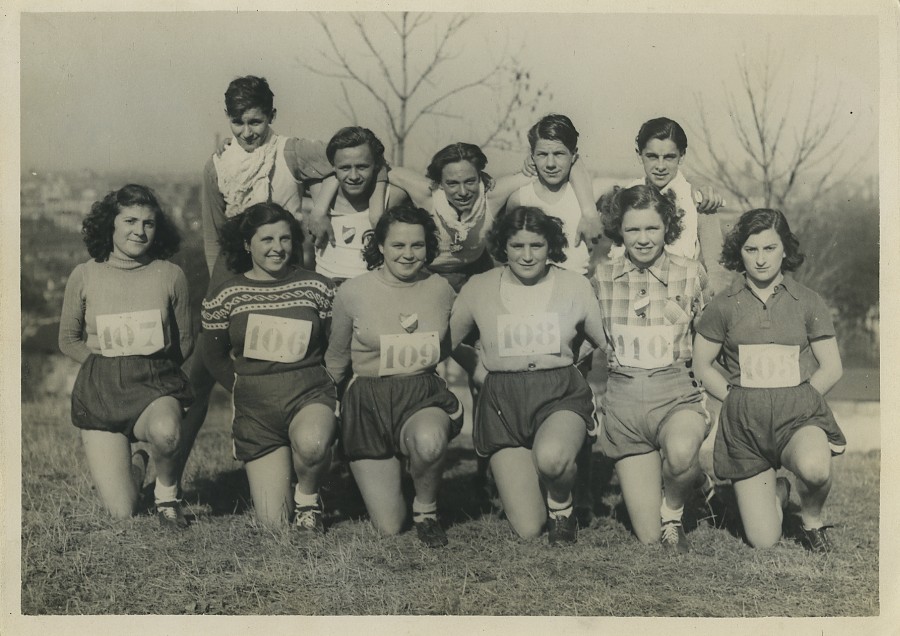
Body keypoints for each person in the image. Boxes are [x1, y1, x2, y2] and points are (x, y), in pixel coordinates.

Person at [180, 76, 381, 487]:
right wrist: (219, 291)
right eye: (238, 122)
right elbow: (214, 237)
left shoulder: (292, 151)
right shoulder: (216, 165)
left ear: (272, 115)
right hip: (234, 277)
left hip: (286, 276)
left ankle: (326, 470)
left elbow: (356, 162)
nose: (247, 132)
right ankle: (169, 479)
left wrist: (318, 209)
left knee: (308, 366)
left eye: (256, 121)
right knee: (199, 373)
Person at [693, 208, 846, 553]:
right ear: (739, 252)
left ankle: (812, 521)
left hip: (797, 420)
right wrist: (733, 397)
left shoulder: (808, 301)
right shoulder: (723, 305)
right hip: (746, 428)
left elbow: (831, 367)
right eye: (751, 249)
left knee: (815, 468)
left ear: (785, 249)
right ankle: (777, 490)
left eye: (769, 248)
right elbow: (702, 365)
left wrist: (801, 399)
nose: (761, 259)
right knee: (763, 540)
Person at [450, 206, 604, 544]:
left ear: (550, 246)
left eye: (537, 245)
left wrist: (569, 361)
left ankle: (562, 507)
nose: (527, 255)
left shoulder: (574, 285)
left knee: (552, 458)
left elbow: (601, 339)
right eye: (517, 246)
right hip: (502, 401)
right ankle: (545, 495)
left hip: (559, 392)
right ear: (503, 246)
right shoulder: (479, 287)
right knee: (528, 528)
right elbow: (447, 340)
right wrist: (478, 368)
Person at [324, 202, 463, 547]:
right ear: (381, 246)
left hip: (421, 396)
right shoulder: (352, 292)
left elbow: (452, 345)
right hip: (368, 403)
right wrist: (328, 412)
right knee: (388, 526)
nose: (408, 254)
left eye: (417, 245)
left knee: (429, 441)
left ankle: (426, 510)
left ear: (428, 247)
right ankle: (392, 481)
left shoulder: (442, 289)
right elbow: (336, 360)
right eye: (398, 245)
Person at [58, 184, 193, 529]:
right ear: (111, 225)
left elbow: (185, 341)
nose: (139, 231)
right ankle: (138, 460)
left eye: (148, 223)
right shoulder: (84, 275)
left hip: (154, 387)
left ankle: (167, 497)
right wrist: (103, 366)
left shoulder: (170, 275)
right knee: (122, 511)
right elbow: (68, 340)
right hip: (101, 392)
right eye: (130, 221)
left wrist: (152, 366)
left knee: (166, 432)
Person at [200, 203, 337, 530]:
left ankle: (308, 499)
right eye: (267, 239)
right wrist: (243, 388)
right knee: (273, 523)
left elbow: (334, 345)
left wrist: (326, 386)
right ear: (247, 244)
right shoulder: (225, 296)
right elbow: (214, 357)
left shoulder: (318, 287)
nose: (278, 248)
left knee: (313, 443)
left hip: (309, 397)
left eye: (285, 238)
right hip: (257, 411)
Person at [594, 184, 711, 553]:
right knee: (647, 536)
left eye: (652, 228)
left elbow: (711, 337)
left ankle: (673, 514)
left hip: (676, 394)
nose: (643, 239)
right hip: (625, 402)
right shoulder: (601, 278)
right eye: (632, 229)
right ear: (619, 230)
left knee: (681, 451)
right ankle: (696, 481)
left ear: (667, 227)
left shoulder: (691, 274)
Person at [609, 117, 729, 294]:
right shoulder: (628, 195)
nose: (660, 166)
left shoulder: (697, 198)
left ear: (682, 156)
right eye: (652, 156)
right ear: (639, 155)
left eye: (669, 157)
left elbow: (717, 268)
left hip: (682, 297)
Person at [306, 126, 405, 286]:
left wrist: (382, 174)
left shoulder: (392, 196)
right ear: (333, 167)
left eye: (362, 167)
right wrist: (319, 209)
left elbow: (430, 190)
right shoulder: (318, 190)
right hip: (327, 292)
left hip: (372, 292)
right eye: (345, 168)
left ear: (376, 165)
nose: (353, 176)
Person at [506, 114, 602, 276]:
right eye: (542, 154)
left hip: (578, 282)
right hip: (533, 285)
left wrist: (591, 212)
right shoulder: (520, 199)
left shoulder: (589, 193)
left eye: (559, 154)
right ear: (532, 156)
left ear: (574, 155)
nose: (550, 164)